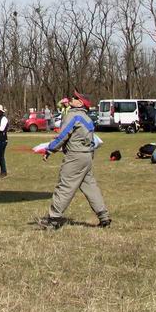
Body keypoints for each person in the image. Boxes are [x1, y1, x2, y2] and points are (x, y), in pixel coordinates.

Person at [37, 93, 110, 230]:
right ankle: (104, 217)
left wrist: (50, 149)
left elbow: (63, 136)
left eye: (76, 98)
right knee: (90, 187)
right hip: (87, 156)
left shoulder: (73, 116)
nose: (72, 99)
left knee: (65, 186)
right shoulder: (87, 118)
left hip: (75, 157)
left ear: (81, 103)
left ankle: (53, 219)